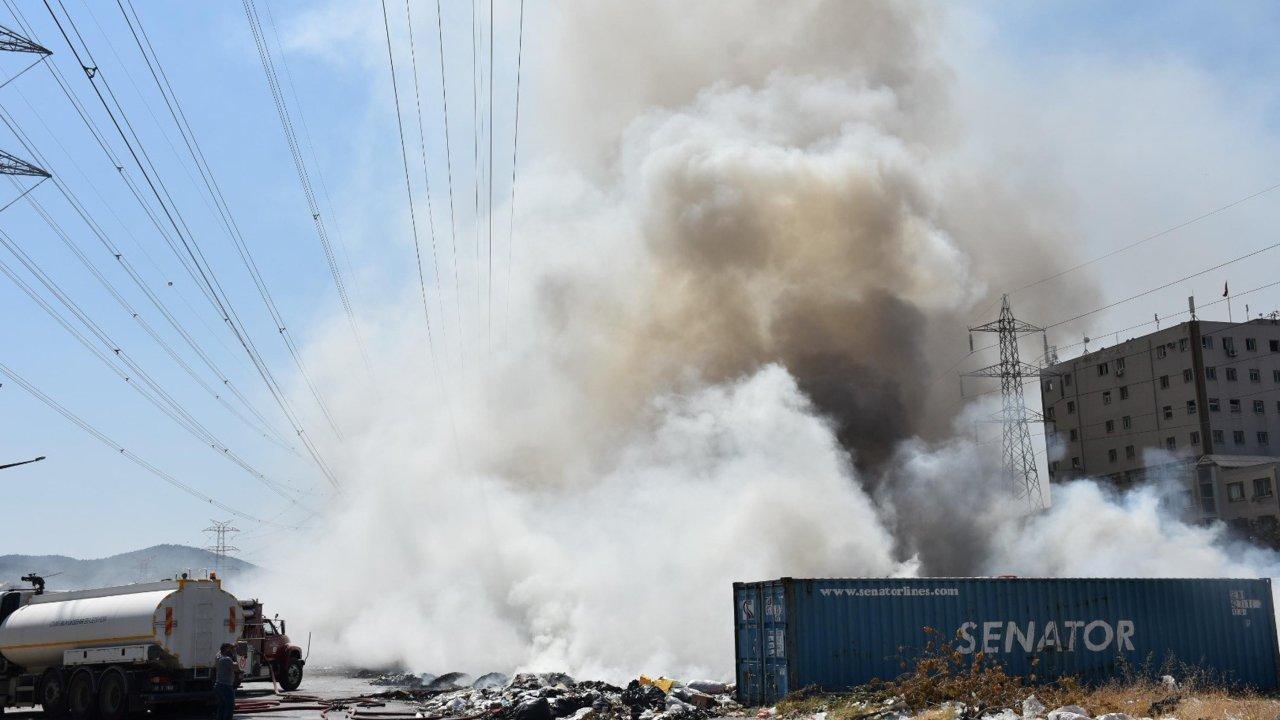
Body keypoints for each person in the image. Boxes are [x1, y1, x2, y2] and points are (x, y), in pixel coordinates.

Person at [214, 643, 237, 720]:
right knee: (230, 706)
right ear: (227, 650)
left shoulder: (218, 657)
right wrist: (235, 654)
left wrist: (231, 646)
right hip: (226, 686)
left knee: (222, 706)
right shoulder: (227, 659)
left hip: (218, 686)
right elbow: (237, 667)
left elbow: (220, 651)